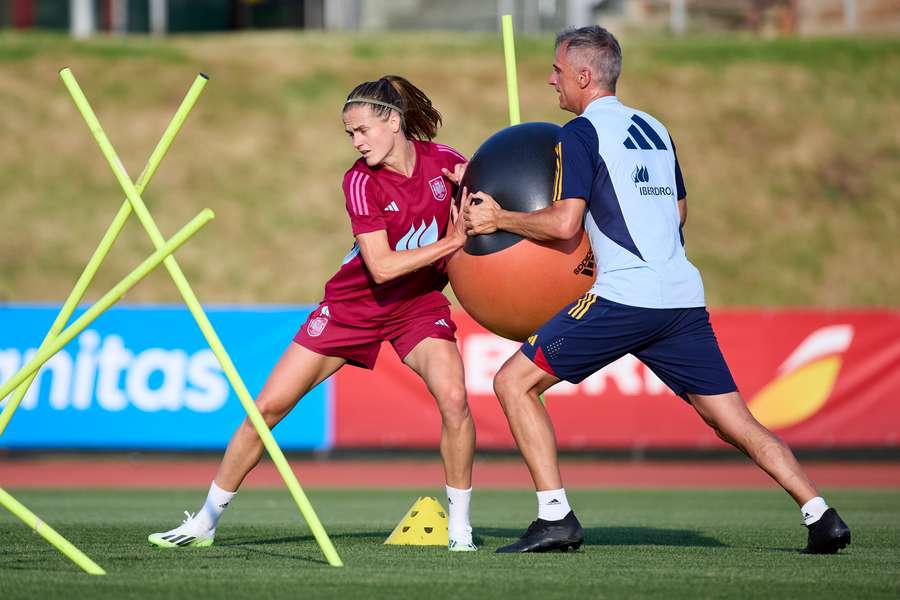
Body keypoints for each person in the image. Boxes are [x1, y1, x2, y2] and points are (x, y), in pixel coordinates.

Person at [463, 26, 851, 555]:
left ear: (583, 76)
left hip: (627, 296)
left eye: (557, 70)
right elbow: (679, 212)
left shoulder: (578, 134)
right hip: (681, 297)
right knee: (733, 420)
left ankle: (555, 517)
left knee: (512, 383)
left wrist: (499, 219)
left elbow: (563, 225)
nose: (551, 80)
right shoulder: (655, 127)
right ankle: (820, 515)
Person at [150, 75, 478, 552]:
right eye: (350, 134)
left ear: (393, 121)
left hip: (418, 307)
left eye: (363, 130)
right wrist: (450, 243)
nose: (356, 142)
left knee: (454, 400)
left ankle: (461, 530)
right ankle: (204, 522)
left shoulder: (444, 161)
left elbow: (488, 200)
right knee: (267, 410)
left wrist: (484, 192)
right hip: (351, 308)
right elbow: (382, 268)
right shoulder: (359, 181)